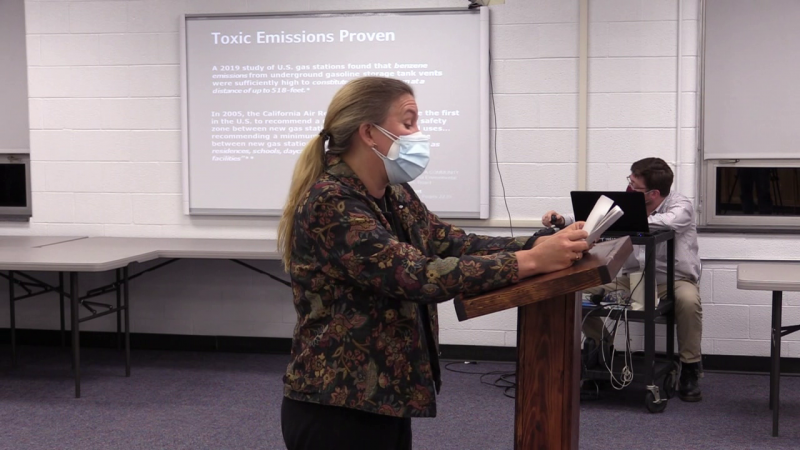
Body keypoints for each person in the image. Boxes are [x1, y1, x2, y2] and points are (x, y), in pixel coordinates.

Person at [277, 77, 590, 450]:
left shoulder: (394, 193)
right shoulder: (331, 201)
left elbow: (451, 242)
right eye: (408, 123)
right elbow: (414, 275)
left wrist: (537, 243)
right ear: (369, 133)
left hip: (381, 397)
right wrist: (531, 260)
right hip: (336, 402)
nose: (418, 134)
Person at [542, 157, 703, 402]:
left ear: (653, 193)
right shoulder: (631, 203)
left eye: (635, 186)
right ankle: (602, 352)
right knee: (572, 290)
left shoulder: (681, 206)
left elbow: (666, 222)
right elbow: (596, 216)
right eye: (630, 180)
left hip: (672, 280)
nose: (629, 187)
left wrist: (621, 220)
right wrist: (563, 220)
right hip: (631, 277)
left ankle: (690, 367)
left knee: (689, 302)